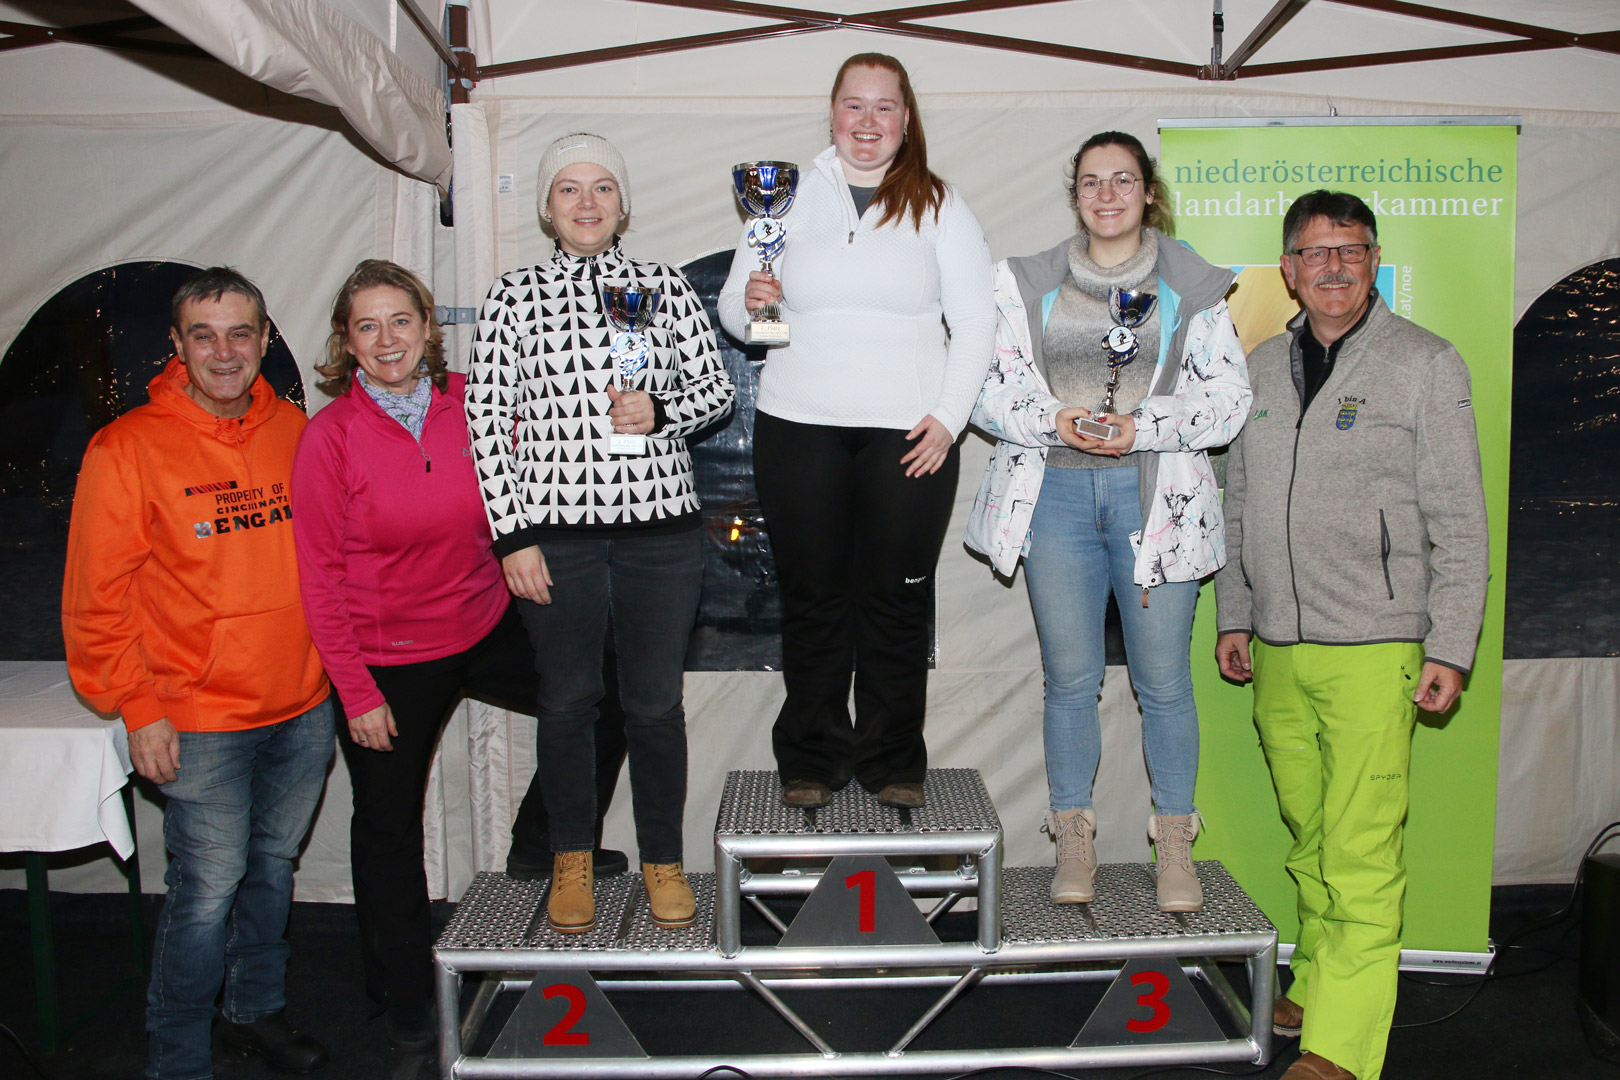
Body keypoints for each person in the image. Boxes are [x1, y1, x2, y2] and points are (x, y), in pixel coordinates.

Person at [289, 260, 626, 1050]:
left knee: (607, 691)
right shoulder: (329, 438)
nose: (387, 339)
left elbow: (555, 433)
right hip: (388, 653)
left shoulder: (475, 400)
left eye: (400, 320)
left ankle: (541, 844)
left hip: (483, 620)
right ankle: (403, 991)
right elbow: (319, 579)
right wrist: (355, 691)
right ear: (347, 342)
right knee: (386, 825)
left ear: (428, 327)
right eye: (367, 326)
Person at [1214, 190, 1488, 1080]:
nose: (1333, 266)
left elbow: (1461, 521)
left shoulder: (1426, 363)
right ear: (1288, 271)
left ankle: (1340, 1047)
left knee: (1361, 849)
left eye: (1351, 249)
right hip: (1279, 648)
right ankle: (1320, 977)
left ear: (1373, 262)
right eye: (1315, 252)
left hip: (1377, 647)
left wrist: (1451, 645)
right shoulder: (1257, 367)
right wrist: (1235, 613)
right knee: (1311, 834)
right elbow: (1238, 504)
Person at [964, 131, 1251, 912]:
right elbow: (985, 390)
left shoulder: (1193, 288)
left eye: (1123, 179)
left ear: (1148, 191)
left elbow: (1229, 403)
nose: (1107, 195)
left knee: (1164, 685)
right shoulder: (1024, 286)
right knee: (1069, 683)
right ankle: (1075, 840)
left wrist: (1143, 427)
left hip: (1155, 502)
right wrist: (1053, 419)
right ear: (1075, 194)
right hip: (1055, 499)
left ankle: (1176, 849)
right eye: (1092, 181)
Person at [62, 267, 333, 1080]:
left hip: (301, 706)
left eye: (240, 333)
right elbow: (94, 601)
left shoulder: (294, 429)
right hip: (197, 718)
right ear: (177, 345)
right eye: (204, 335)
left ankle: (254, 1012)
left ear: (263, 340)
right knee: (207, 891)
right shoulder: (126, 448)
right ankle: (178, 1054)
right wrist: (137, 706)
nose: (224, 352)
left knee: (272, 872)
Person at [469, 133, 735, 935]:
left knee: (654, 707)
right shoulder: (512, 297)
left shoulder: (664, 286)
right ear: (547, 208)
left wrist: (661, 410)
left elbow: (716, 390)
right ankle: (570, 857)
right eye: (569, 189)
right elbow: (487, 423)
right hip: (558, 538)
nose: (586, 203)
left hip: (661, 533)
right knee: (567, 704)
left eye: (602, 188)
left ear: (623, 205)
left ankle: (663, 861)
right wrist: (512, 536)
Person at [717, 52, 995, 810]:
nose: (867, 122)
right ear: (832, 112)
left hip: (909, 436)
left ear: (906, 118)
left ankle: (893, 759)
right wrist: (757, 301)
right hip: (798, 428)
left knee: (897, 599)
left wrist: (949, 418)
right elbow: (741, 318)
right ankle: (811, 757)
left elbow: (976, 321)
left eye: (884, 106)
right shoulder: (786, 198)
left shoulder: (939, 202)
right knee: (813, 598)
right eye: (854, 105)